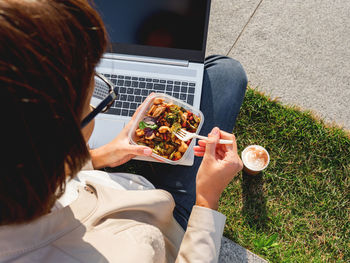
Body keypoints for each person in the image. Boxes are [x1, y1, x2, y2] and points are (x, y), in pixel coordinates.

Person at [0, 0, 247, 262]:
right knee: (227, 74)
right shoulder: (130, 253)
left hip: (111, 190)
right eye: (93, 102)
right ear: (63, 140)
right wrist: (207, 200)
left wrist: (99, 156)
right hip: (168, 228)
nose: (97, 104)